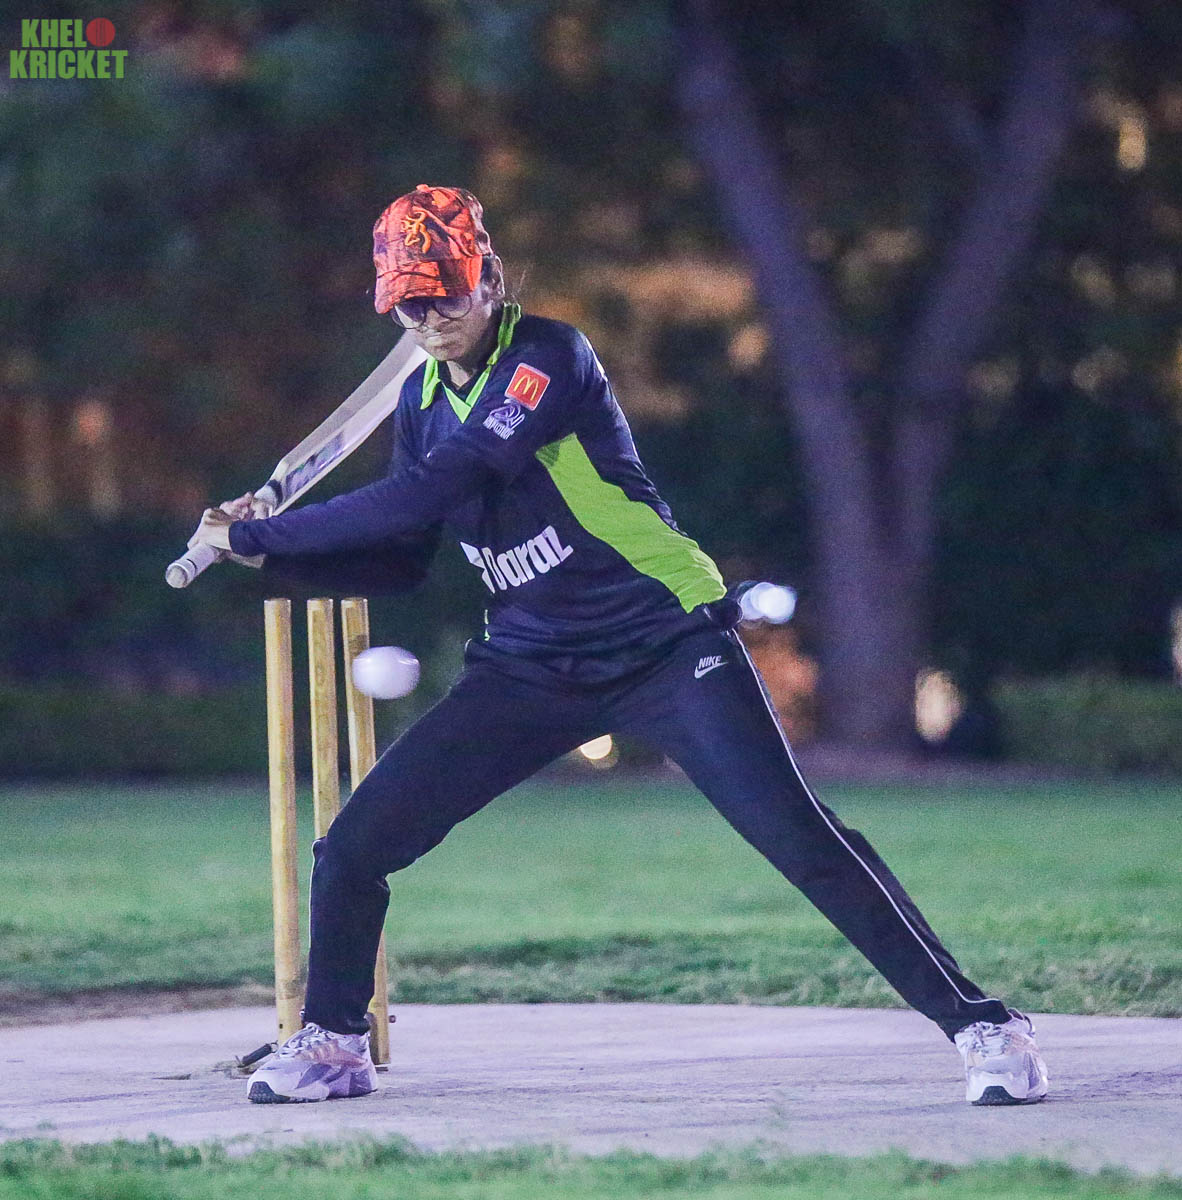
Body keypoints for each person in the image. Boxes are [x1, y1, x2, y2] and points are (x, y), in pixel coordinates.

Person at [189, 184, 1048, 1108]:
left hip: (665, 641)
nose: (429, 317)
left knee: (797, 837)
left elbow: (447, 484)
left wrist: (267, 531)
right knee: (355, 846)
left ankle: (986, 1027)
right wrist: (265, 560)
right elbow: (401, 558)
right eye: (408, 302)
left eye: (445, 292)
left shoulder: (547, 358)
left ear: (490, 278)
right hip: (530, 664)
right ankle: (334, 1042)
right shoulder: (422, 403)